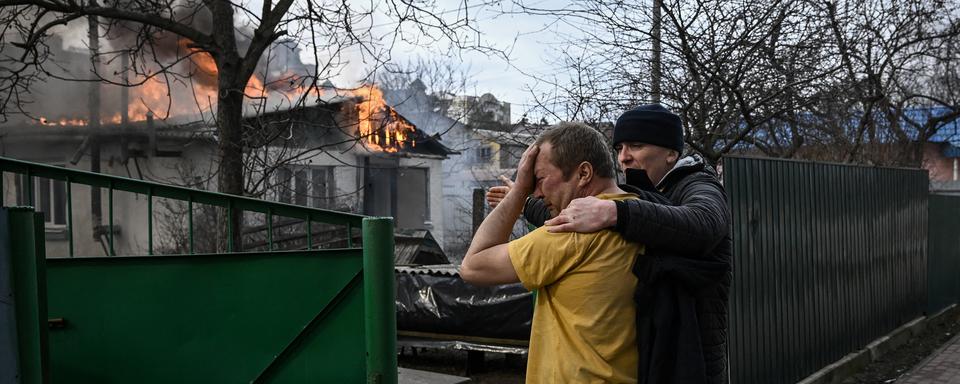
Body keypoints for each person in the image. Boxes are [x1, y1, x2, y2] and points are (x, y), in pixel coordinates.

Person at [487, 104, 732, 384]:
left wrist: (615, 213)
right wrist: (526, 202)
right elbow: (573, 218)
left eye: (636, 146)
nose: (624, 158)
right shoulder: (644, 194)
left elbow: (704, 224)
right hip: (658, 354)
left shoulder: (699, 185)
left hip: (693, 358)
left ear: (671, 153)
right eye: (619, 149)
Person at [461, 122, 642, 384]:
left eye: (541, 179)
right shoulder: (636, 213)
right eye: (531, 182)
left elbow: (473, 266)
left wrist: (520, 190)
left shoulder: (573, 232)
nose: (536, 191)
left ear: (583, 173)